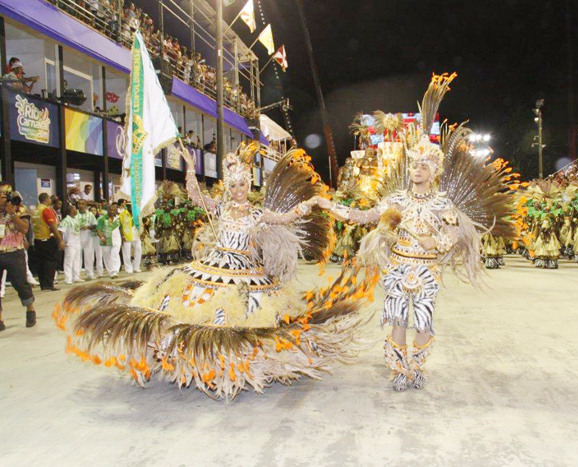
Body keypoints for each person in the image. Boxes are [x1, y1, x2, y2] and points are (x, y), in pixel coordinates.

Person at [53, 143, 376, 402]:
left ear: (249, 185)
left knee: (239, 320)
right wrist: (191, 169)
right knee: (182, 308)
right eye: (234, 185)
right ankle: (175, 355)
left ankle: (223, 364)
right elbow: (196, 197)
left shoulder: (259, 213)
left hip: (246, 272)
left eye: (243, 184)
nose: (238, 189)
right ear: (229, 186)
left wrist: (315, 202)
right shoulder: (220, 208)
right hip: (211, 266)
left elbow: (287, 217)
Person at [317, 74, 515, 391]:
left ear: (434, 171)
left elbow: (451, 237)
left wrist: (434, 241)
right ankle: (398, 369)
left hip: (426, 270)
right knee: (396, 319)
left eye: (423, 166)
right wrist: (326, 204)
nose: (416, 170)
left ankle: (416, 366)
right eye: (414, 165)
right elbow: (361, 215)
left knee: (422, 321)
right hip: (397, 268)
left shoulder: (442, 203)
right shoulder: (394, 200)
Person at [0, 184, 36, 331]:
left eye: (4, 196)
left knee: (21, 283)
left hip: (14, 252)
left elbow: (24, 228)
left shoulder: (19, 209)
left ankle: (30, 309)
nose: (3, 199)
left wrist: (12, 214)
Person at [32, 193, 64, 291]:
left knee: (41, 262)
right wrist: (60, 240)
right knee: (50, 262)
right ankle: (49, 285)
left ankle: (43, 285)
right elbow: (53, 226)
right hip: (48, 239)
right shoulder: (47, 210)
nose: (51, 200)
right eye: (49, 198)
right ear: (46, 199)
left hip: (38, 239)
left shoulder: (35, 210)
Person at [58, 204, 83, 285]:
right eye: (75, 209)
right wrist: (61, 241)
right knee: (69, 261)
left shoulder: (75, 219)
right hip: (69, 243)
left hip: (77, 242)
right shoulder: (66, 220)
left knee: (77, 260)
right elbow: (60, 231)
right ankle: (68, 278)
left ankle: (76, 276)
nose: (76, 210)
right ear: (71, 210)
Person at [96, 203, 122, 278]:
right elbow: (98, 230)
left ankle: (114, 272)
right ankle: (110, 271)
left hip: (117, 240)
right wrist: (102, 237)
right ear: (107, 210)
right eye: (110, 210)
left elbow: (121, 229)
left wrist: (123, 237)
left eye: (114, 210)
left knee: (115, 255)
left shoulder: (118, 218)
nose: (112, 211)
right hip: (106, 240)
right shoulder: (102, 219)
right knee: (107, 256)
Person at [117, 199, 142, 274]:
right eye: (129, 206)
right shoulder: (123, 214)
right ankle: (128, 268)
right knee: (126, 252)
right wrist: (122, 235)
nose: (131, 208)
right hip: (127, 235)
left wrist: (142, 232)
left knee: (138, 249)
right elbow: (120, 226)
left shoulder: (137, 214)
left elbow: (141, 224)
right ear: (127, 207)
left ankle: (136, 267)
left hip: (136, 234)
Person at [75, 200, 98, 280]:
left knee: (89, 255)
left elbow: (95, 225)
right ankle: (76, 275)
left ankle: (90, 273)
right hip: (77, 236)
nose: (80, 205)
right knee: (77, 256)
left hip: (88, 236)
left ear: (85, 205)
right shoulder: (75, 213)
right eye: (79, 203)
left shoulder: (90, 214)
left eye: (82, 204)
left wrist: (88, 227)